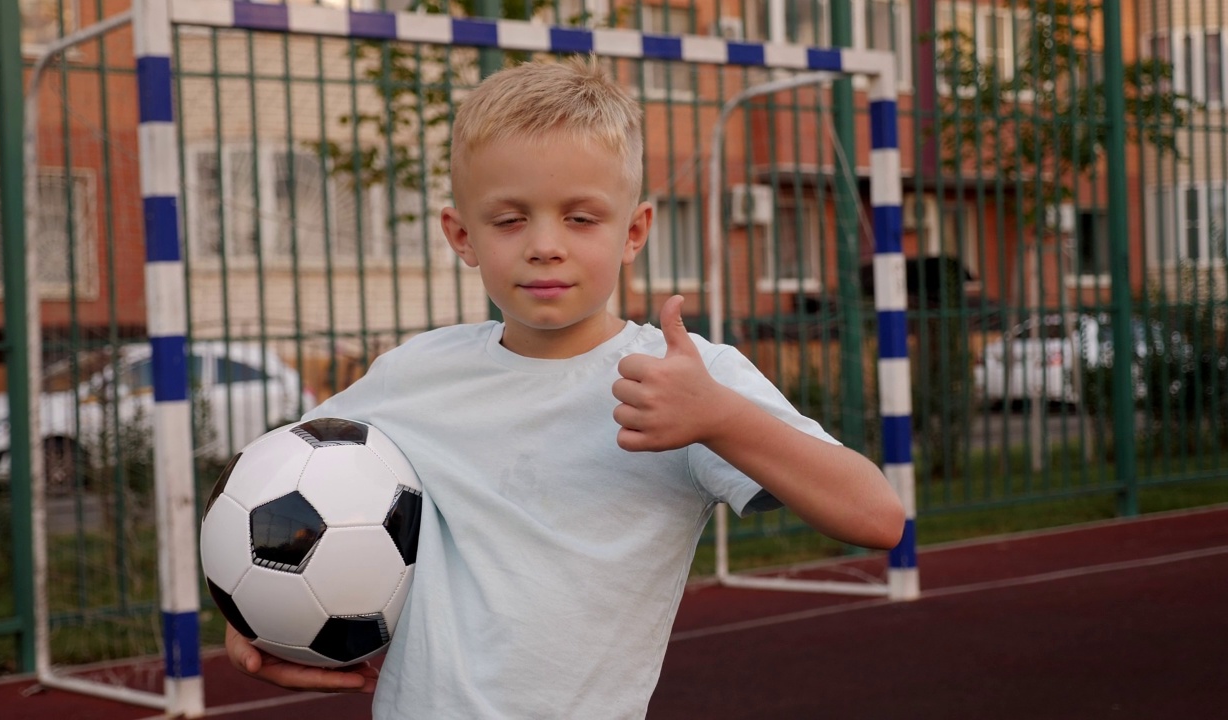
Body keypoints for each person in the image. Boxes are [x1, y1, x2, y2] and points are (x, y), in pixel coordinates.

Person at [224, 56, 905, 718]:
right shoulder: (413, 374)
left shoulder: (682, 378)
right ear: (462, 235)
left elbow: (878, 518)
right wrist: (261, 608)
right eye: (510, 219)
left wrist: (720, 419)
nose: (545, 244)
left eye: (581, 218)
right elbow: (278, 494)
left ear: (634, 230)